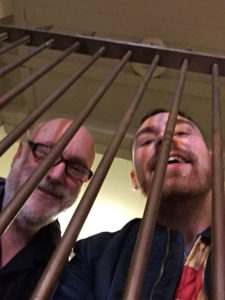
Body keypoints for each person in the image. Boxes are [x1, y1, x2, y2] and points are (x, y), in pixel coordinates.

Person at [53, 109, 212, 300]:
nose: (165, 138)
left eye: (182, 133)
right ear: (134, 179)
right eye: (146, 141)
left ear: (212, 161)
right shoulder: (94, 255)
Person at [0, 118, 95, 300]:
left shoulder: (60, 279)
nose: (56, 175)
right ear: (18, 154)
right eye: (45, 154)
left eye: (76, 168)